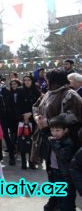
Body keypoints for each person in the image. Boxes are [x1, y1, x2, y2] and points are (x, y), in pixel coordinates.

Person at [33, 69, 82, 210]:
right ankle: (54, 200)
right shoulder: (48, 93)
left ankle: (66, 206)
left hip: (65, 142)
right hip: (49, 141)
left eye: (48, 79)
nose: (46, 82)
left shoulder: (70, 94)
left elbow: (74, 115)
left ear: (54, 80)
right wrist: (37, 118)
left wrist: (49, 122)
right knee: (51, 172)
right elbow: (36, 107)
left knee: (64, 177)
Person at [48, 114, 76, 210]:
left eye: (58, 130)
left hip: (63, 174)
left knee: (66, 197)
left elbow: (63, 155)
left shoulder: (67, 142)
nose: (54, 133)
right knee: (59, 195)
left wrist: (54, 144)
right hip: (54, 171)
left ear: (65, 130)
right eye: (52, 130)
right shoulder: (54, 140)